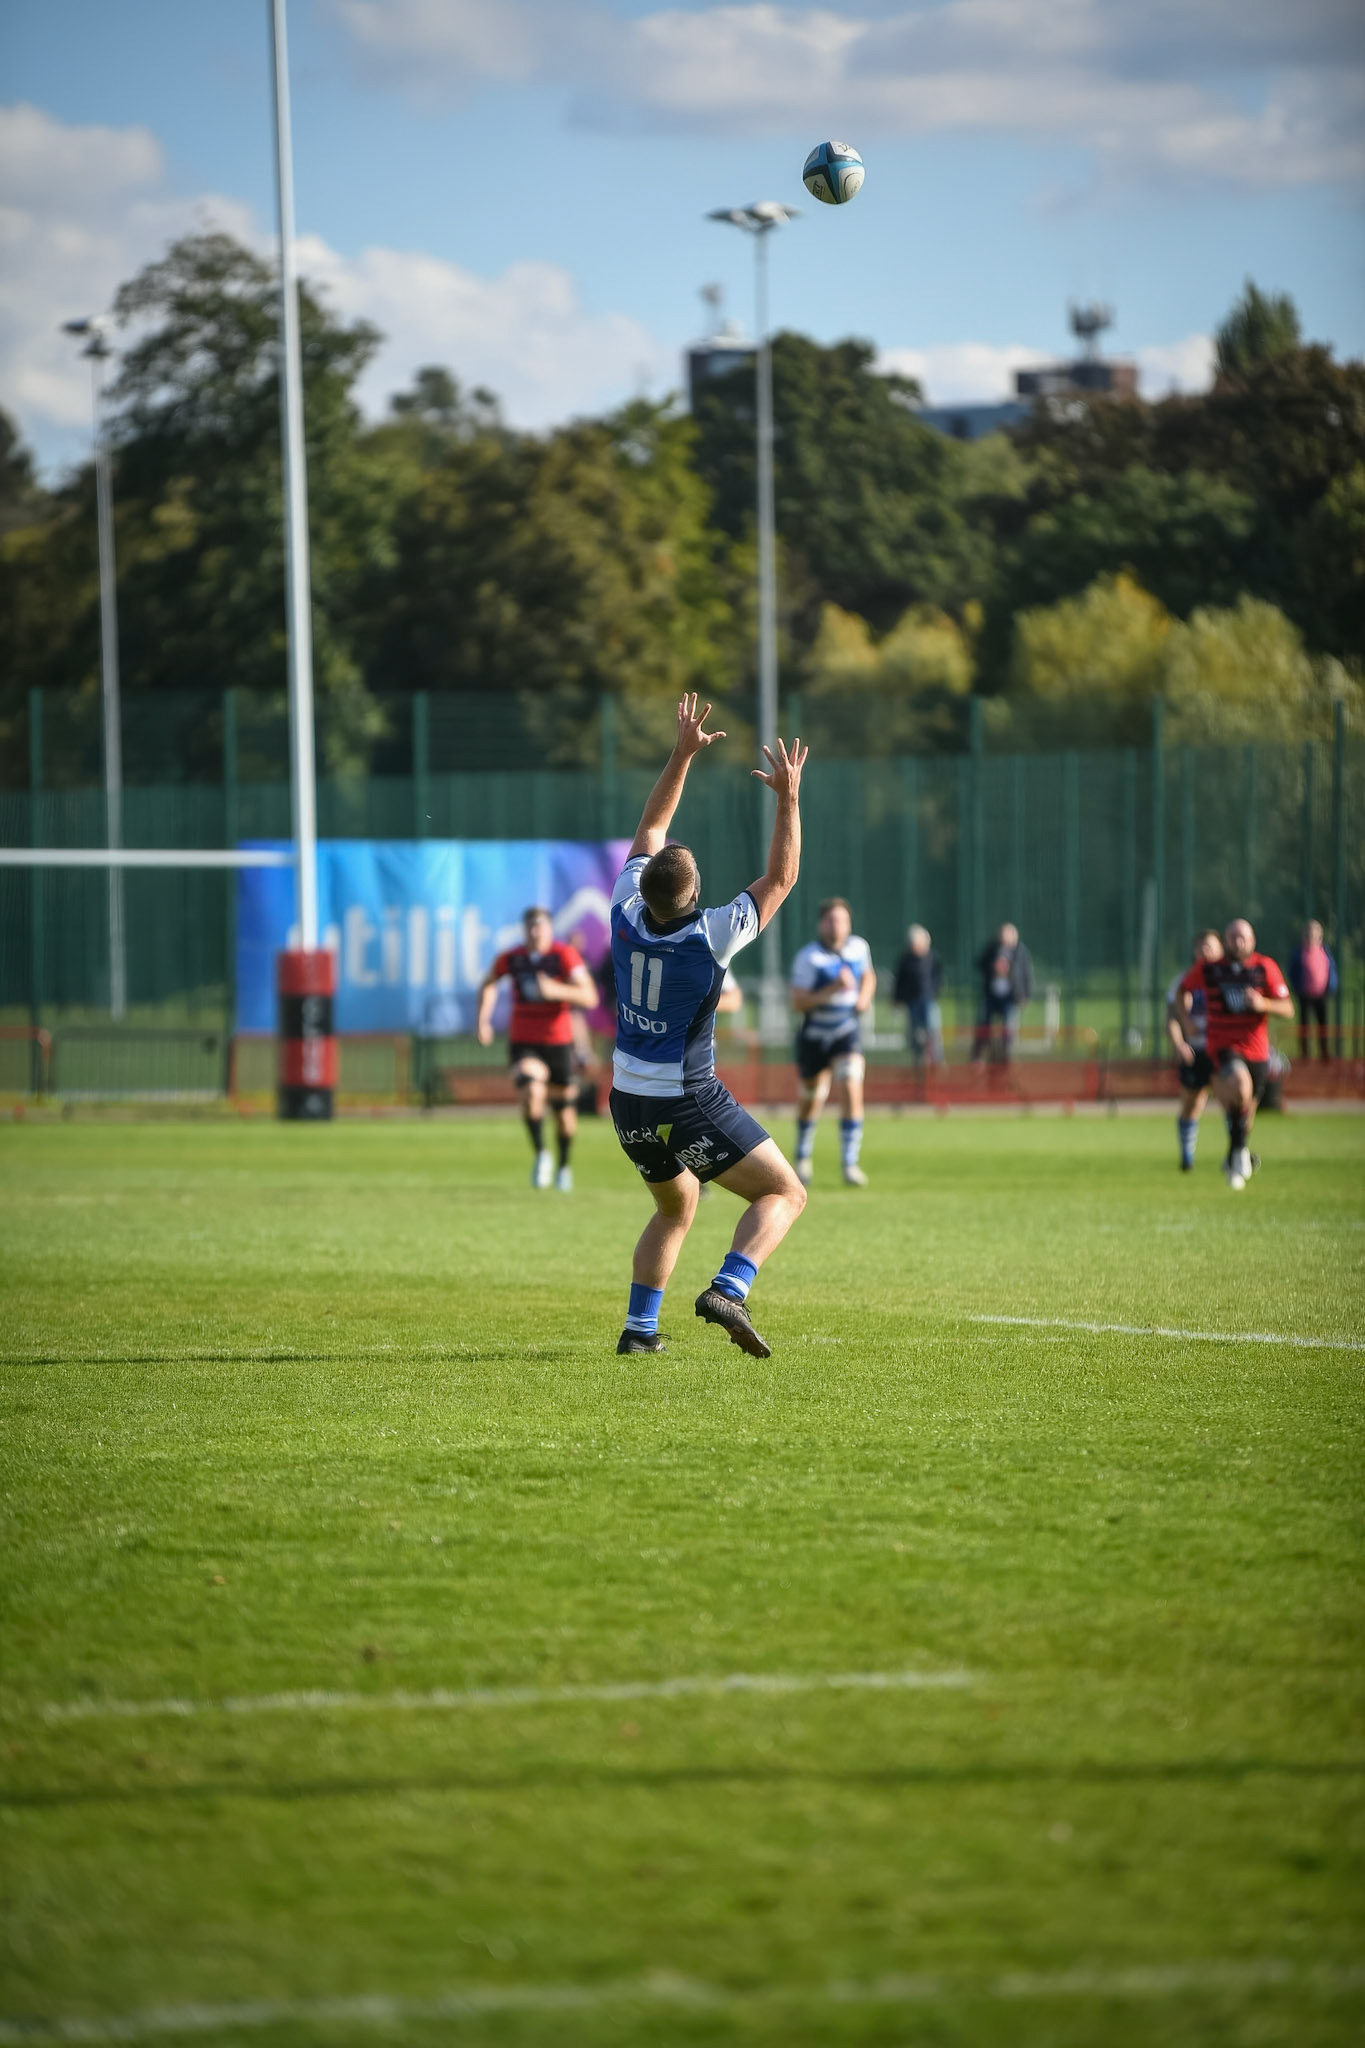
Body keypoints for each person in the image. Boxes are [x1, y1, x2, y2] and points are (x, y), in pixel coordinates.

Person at [608, 694, 808, 1359]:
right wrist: (788, 798)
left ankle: (639, 1332)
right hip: (686, 1099)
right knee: (785, 1191)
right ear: (694, 895)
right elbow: (781, 877)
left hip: (627, 1100)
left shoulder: (622, 909)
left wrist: (682, 753)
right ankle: (730, 1287)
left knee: (675, 1205)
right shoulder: (712, 934)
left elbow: (651, 827)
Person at [476, 907, 597, 1190]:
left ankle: (563, 1167)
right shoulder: (512, 958)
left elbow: (589, 996)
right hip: (524, 1042)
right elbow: (488, 983)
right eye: (530, 926)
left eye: (539, 925)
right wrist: (483, 1021)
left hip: (558, 1043)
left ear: (549, 928)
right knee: (532, 1090)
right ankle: (542, 1153)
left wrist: (557, 991)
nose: (534, 931)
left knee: (564, 1115)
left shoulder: (564, 955)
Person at [1178, 917, 1294, 1191]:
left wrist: (1263, 1004)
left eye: (1243, 937)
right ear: (1225, 941)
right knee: (1240, 1087)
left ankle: (1234, 1155)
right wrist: (1186, 1020)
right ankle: (1237, 1154)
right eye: (1232, 937)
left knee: (1244, 1114)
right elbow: (1183, 990)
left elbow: (1288, 1009)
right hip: (1223, 1048)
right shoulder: (1209, 969)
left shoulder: (1265, 967)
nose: (1237, 942)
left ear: (1252, 941)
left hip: (1258, 1052)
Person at [790, 900, 877, 1187]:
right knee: (812, 1097)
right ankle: (802, 1156)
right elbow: (798, 1002)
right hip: (815, 1036)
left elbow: (868, 976)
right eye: (830, 920)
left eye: (841, 920)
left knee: (851, 1081)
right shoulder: (809, 957)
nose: (836, 926)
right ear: (821, 924)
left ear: (849, 924)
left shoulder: (859, 948)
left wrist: (864, 997)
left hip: (846, 1032)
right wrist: (833, 989)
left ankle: (850, 1163)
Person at [1166, 928, 1223, 1171]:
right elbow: (1171, 1019)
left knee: (1233, 1099)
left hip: (1221, 1050)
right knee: (1192, 1102)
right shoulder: (1183, 982)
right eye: (1201, 946)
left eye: (1210, 945)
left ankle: (1237, 1152)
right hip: (1194, 1050)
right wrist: (1179, 1043)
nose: (1205, 950)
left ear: (1220, 949)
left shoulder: (1228, 979)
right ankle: (1187, 1156)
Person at [972, 922, 1033, 1065]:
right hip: (991, 995)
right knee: (984, 1024)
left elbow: (1026, 974)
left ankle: (1006, 1055)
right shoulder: (992, 948)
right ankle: (978, 1054)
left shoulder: (1021, 952)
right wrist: (993, 967)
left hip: (1010, 997)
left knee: (1008, 1026)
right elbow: (980, 964)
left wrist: (1026, 995)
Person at [893, 923, 944, 1066]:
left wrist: (934, 992)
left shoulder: (932, 958)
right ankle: (918, 1059)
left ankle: (937, 1059)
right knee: (915, 1031)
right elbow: (899, 981)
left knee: (933, 1029)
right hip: (912, 1001)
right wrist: (897, 999)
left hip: (929, 1000)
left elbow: (938, 977)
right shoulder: (905, 959)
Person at [1288, 920, 1337, 1062]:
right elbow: (1292, 972)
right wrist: (1297, 988)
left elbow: (1331, 971)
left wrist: (1331, 986)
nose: (1311, 938)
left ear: (1320, 936)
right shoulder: (1299, 953)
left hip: (1321, 995)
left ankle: (1324, 1052)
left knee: (1323, 1025)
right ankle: (1305, 1054)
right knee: (1305, 1025)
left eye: (1314, 935)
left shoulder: (1325, 952)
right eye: (1308, 935)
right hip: (1305, 996)